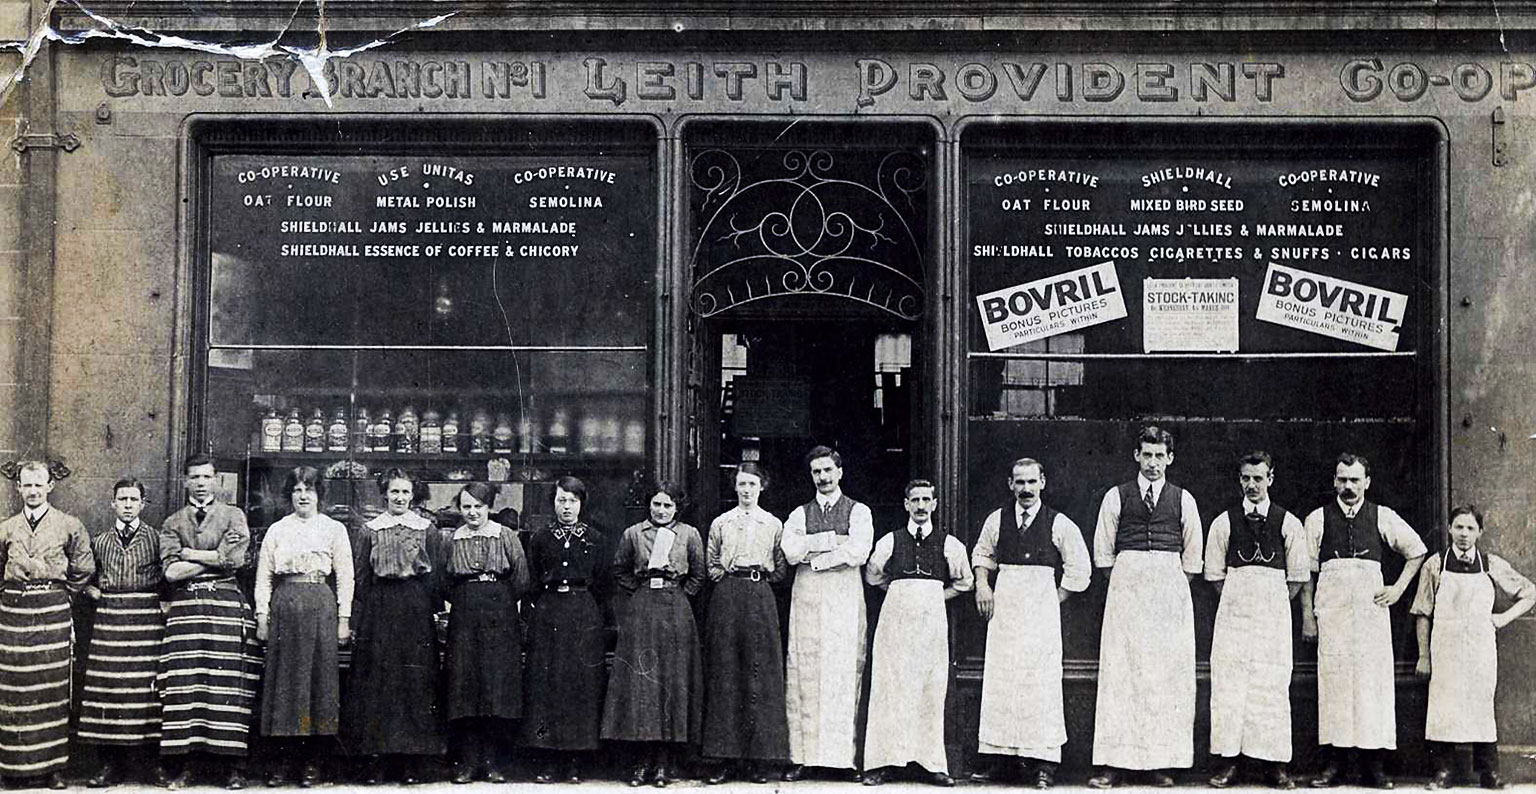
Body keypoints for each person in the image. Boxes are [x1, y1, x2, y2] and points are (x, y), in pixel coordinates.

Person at [1301, 453, 1426, 789]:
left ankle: (1374, 767)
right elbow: (1306, 572)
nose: (1348, 486)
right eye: (1342, 479)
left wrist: (1398, 589)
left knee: (1373, 686)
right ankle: (1335, 766)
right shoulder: (1317, 519)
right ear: (1334, 481)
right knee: (1335, 685)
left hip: (1371, 613)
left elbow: (1416, 550)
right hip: (1332, 610)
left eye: (1355, 480)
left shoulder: (1382, 516)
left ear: (1367, 482)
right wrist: (1309, 616)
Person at [1088, 425, 1203, 789]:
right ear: (1136, 456)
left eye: (1159, 455)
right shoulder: (1116, 497)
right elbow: (1103, 554)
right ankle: (1114, 764)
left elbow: (1194, 556)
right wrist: (1131, 582)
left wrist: (1167, 588)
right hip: (1127, 586)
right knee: (1121, 674)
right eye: (1147, 455)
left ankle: (1161, 762)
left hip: (1169, 587)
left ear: (1170, 458)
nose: (1153, 463)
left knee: (1164, 676)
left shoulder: (1183, 499)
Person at [971, 458, 1091, 789]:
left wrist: (1054, 597)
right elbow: (982, 555)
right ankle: (999, 759)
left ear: (1043, 482)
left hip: (1041, 608)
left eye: (1031, 482)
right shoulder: (997, 520)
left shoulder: (1059, 523)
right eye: (1019, 482)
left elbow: (1080, 568)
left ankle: (1044, 764)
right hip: (1005, 606)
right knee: (1003, 678)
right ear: (1010, 484)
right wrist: (983, 585)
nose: (1025, 489)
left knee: (1040, 681)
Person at [1203, 451, 1310, 790]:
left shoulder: (1289, 523)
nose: (1252, 485)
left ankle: (1274, 766)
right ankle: (1229, 764)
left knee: (1271, 687)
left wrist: (1269, 603)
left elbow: (1297, 578)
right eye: (1246, 478)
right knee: (1230, 687)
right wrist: (1240, 600)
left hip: (1272, 620)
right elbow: (1215, 575)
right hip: (1233, 618)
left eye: (1258, 478)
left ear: (1271, 479)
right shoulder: (1223, 522)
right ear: (1240, 480)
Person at [1411, 506, 1534, 791]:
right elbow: (1422, 612)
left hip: (1480, 649)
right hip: (1445, 649)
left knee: (1481, 706)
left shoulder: (1491, 564)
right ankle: (1443, 772)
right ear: (1450, 529)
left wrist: (1502, 618)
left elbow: (1530, 593)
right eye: (1459, 527)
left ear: (1479, 532)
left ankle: (1489, 773)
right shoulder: (1435, 564)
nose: (1464, 534)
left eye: (1470, 528)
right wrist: (1423, 656)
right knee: (1443, 706)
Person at [158, 453, 260, 789]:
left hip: (226, 605)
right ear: (185, 480)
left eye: (207, 477)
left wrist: (192, 555)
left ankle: (232, 767)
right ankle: (188, 766)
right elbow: (171, 572)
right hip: (186, 608)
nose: (201, 483)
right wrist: (215, 558)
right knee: (187, 686)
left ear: (216, 480)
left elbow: (236, 559)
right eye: (195, 477)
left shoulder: (234, 515)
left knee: (227, 685)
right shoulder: (173, 522)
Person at [860, 479, 972, 787]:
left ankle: (930, 763)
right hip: (895, 621)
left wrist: (934, 595)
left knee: (930, 688)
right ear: (906, 504)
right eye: (915, 500)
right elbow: (873, 576)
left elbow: (965, 582)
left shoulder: (950, 544)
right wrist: (901, 592)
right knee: (890, 687)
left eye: (926, 500)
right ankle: (882, 762)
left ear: (934, 504)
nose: (921, 506)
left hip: (931, 623)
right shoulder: (890, 541)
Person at [342, 468, 449, 784]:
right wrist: (377, 602)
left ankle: (411, 760)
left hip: (415, 608)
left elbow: (436, 577)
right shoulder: (370, 530)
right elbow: (360, 577)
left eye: (405, 492)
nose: (399, 497)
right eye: (394, 492)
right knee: (378, 682)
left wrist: (421, 604)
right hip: (379, 608)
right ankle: (377, 759)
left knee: (415, 681)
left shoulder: (426, 529)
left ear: (413, 494)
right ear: (384, 494)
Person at [253, 466, 354, 787]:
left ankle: (313, 762)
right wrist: (261, 616)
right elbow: (264, 577)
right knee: (285, 684)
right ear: (289, 495)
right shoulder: (277, 530)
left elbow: (346, 577)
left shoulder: (334, 529)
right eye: (297, 490)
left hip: (320, 606)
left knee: (318, 683)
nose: (303, 495)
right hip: (285, 606)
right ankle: (284, 761)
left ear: (319, 494)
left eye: (309, 489)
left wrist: (343, 619)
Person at [602, 481, 706, 787]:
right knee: (642, 684)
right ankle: (641, 761)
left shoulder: (689, 534)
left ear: (677, 508)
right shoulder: (634, 534)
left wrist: (679, 594)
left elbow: (698, 574)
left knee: (671, 682)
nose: (661, 511)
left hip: (676, 609)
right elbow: (620, 569)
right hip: (643, 609)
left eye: (668, 505)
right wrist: (642, 591)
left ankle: (664, 762)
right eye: (657, 504)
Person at [780, 446, 873, 783]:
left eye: (828, 471)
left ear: (840, 472)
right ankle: (801, 757)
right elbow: (790, 552)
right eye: (817, 472)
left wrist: (816, 554)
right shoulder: (799, 514)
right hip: (807, 596)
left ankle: (843, 760)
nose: (823, 477)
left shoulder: (859, 511)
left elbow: (859, 550)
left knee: (843, 670)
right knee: (804, 670)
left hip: (844, 596)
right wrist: (834, 540)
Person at [0, 460, 94, 789]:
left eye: (39, 484)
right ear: (19, 488)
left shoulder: (69, 525)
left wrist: (62, 594)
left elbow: (83, 568)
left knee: (52, 688)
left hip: (53, 611)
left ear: (50, 486)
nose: (33, 491)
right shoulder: (6, 527)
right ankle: (13, 768)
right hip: (14, 617)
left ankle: (54, 768)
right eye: (27, 485)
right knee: (15, 689)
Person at [702, 462, 791, 785]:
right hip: (727, 595)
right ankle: (723, 757)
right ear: (734, 486)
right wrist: (726, 578)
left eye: (752, 483)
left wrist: (759, 582)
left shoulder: (773, 523)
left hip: (760, 595)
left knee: (760, 674)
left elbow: (781, 568)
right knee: (725, 672)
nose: (746, 490)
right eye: (741, 483)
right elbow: (711, 562)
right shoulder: (721, 523)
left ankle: (759, 759)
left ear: (762, 486)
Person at [79, 478, 167, 788]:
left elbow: (168, 580)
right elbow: (83, 578)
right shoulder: (99, 541)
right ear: (112, 503)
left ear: (143, 504)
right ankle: (108, 766)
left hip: (146, 623)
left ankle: (151, 765)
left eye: (133, 499)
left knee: (146, 691)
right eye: (122, 499)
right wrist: (92, 591)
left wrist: (163, 604)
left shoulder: (157, 539)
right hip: (109, 622)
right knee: (109, 690)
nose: (128, 504)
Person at [522, 476, 610, 784]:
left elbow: (602, 582)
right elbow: (532, 580)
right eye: (561, 500)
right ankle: (549, 758)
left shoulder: (596, 538)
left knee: (579, 686)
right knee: (547, 685)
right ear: (553, 503)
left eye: (573, 501)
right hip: (548, 612)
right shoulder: (540, 538)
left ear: (582, 503)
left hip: (583, 612)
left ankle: (575, 759)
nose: (567, 507)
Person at [442, 481, 531, 784]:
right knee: (465, 686)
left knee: (495, 688)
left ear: (488, 507)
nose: (472, 513)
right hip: (465, 616)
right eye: (466, 507)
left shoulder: (505, 536)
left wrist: (499, 601)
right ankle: (467, 761)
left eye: (478, 507)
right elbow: (445, 582)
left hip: (500, 615)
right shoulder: (452, 538)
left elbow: (521, 578)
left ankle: (493, 761)